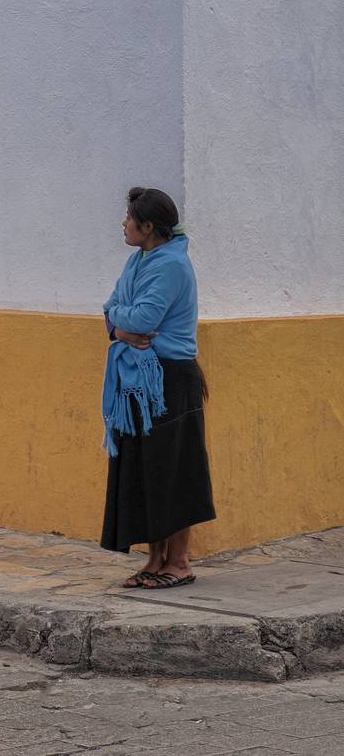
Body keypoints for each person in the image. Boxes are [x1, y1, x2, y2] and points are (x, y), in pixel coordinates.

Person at [100, 186, 215, 588]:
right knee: (145, 468)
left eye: (129, 218)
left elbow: (146, 318)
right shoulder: (139, 261)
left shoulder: (171, 266)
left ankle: (179, 563)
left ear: (148, 226)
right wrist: (120, 328)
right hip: (138, 379)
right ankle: (154, 560)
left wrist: (124, 325)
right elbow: (110, 309)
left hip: (169, 378)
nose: (123, 224)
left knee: (173, 468)